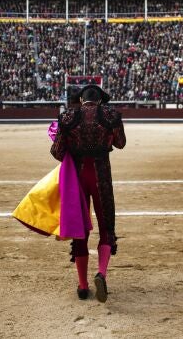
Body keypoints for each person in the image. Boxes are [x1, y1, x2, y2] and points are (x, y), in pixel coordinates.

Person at [50, 84, 126, 302]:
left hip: (78, 178)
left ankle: (83, 286)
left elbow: (57, 152)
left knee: (79, 229)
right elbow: (120, 143)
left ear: (81, 101)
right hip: (101, 175)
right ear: (100, 101)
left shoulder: (68, 117)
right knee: (106, 226)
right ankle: (101, 272)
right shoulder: (110, 115)